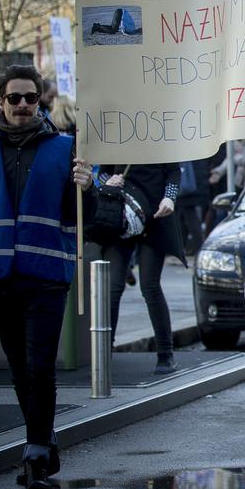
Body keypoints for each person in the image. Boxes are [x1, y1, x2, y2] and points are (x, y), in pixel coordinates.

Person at [0, 65, 95, 489]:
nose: (21, 106)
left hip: (47, 276)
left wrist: (87, 190)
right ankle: (45, 442)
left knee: (39, 369)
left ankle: (35, 458)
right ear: (1, 102)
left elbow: (84, 221)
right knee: (19, 372)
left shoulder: (67, 149)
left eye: (29, 98)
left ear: (41, 101)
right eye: (14, 98)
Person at [98, 160, 185, 374]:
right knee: (112, 287)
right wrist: (108, 182)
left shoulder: (160, 135)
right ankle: (103, 354)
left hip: (155, 215)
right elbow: (102, 172)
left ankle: (166, 353)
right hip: (121, 213)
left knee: (150, 286)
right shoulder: (115, 135)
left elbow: (173, 171)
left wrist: (169, 197)